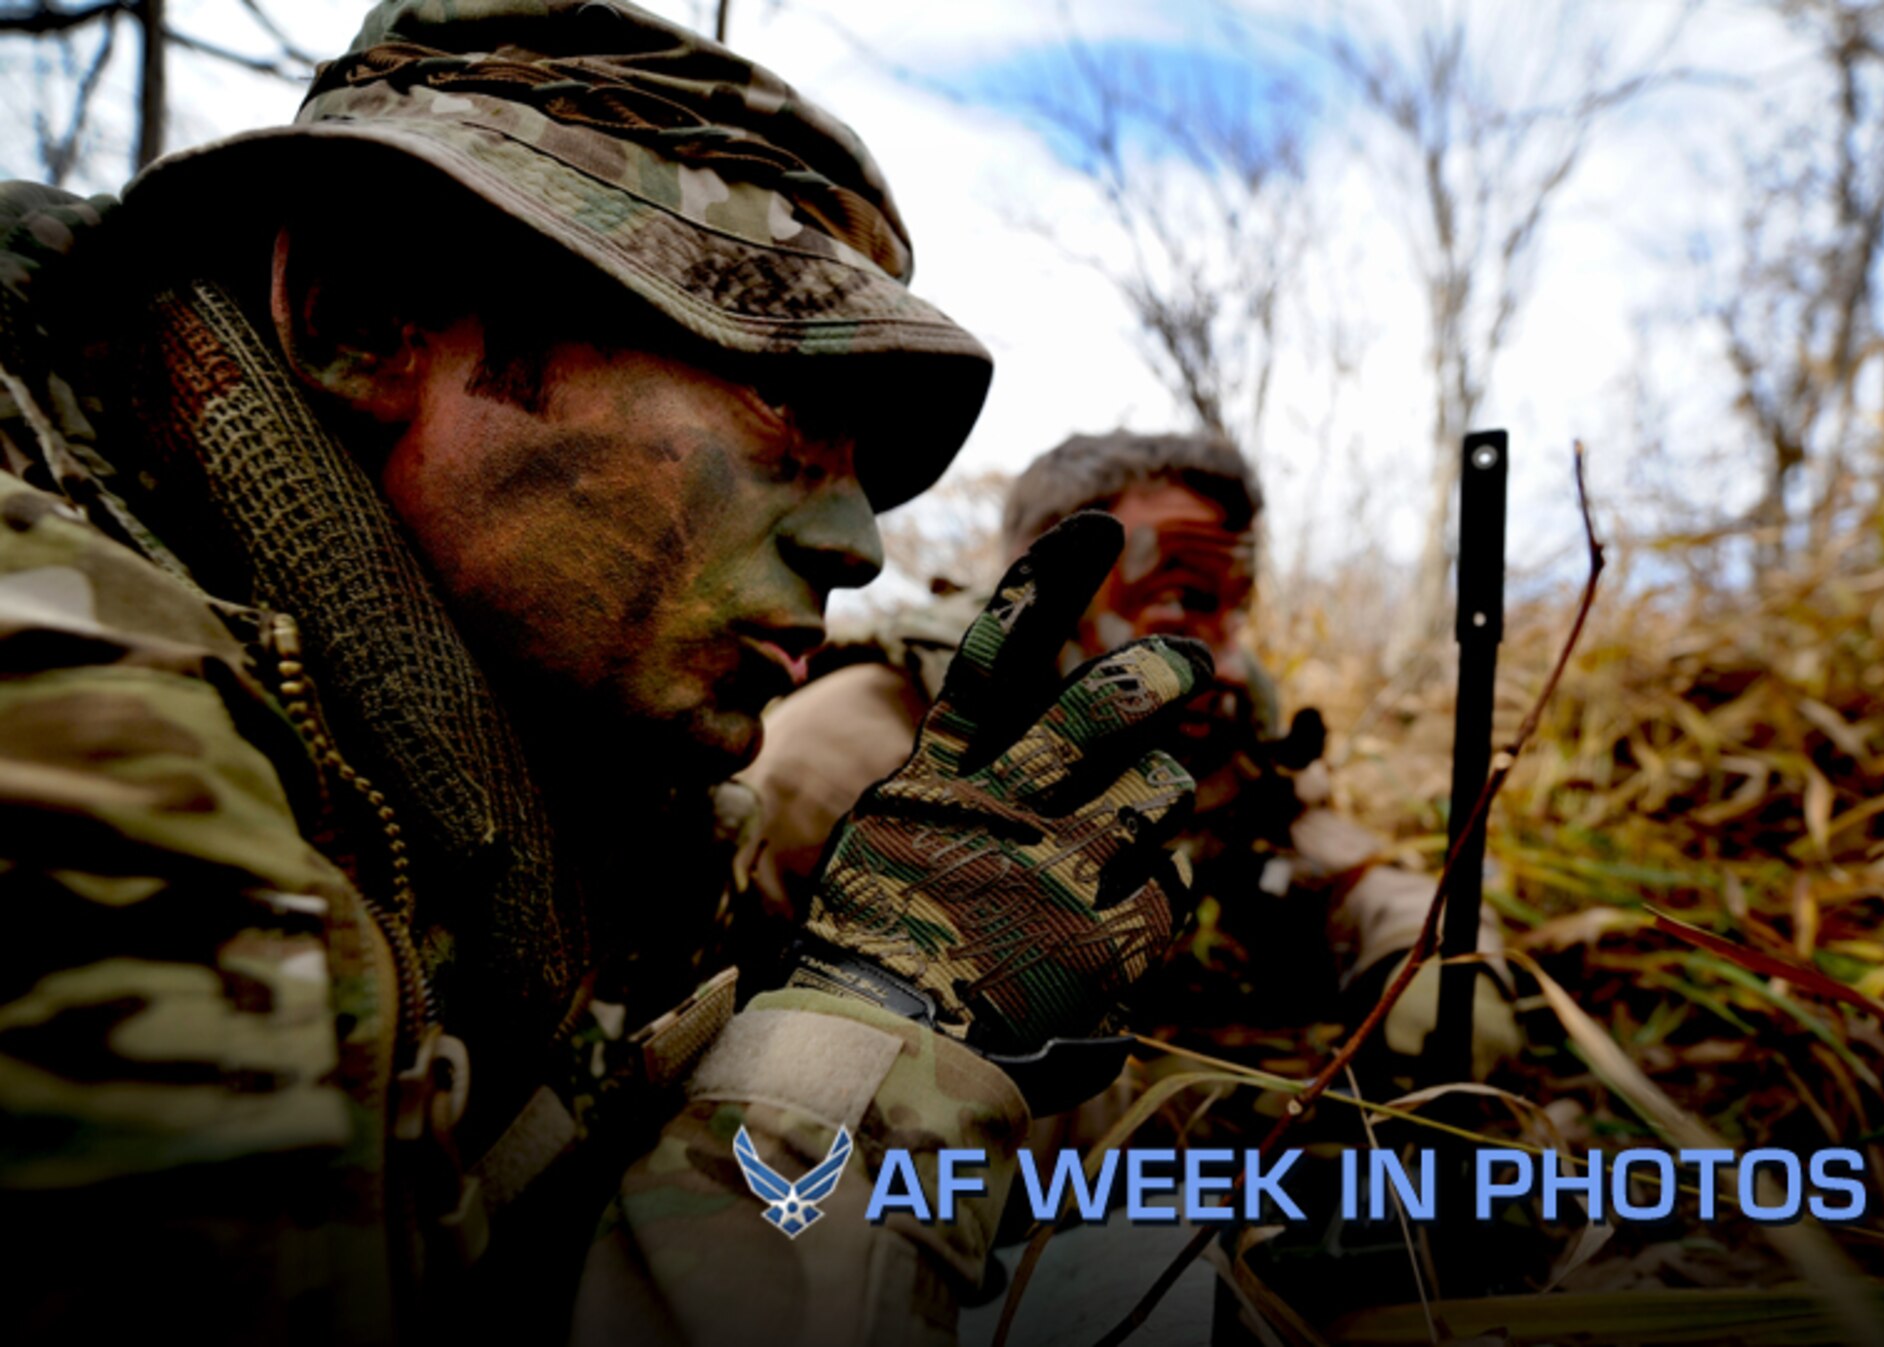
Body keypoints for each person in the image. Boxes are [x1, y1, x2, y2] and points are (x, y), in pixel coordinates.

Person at [0, 5, 1206, 1344]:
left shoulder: (537, 784)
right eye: (789, 409)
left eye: (866, 461)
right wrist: (877, 1025)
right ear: (364, 320)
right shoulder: (68, 716)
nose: (860, 543)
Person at [738, 430, 1521, 1076]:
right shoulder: (853, 760)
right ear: (1050, 590)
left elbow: (1347, 874)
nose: (1231, 656)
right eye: (1181, 600)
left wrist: (1434, 972)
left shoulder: (1208, 742)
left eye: (1235, 609)